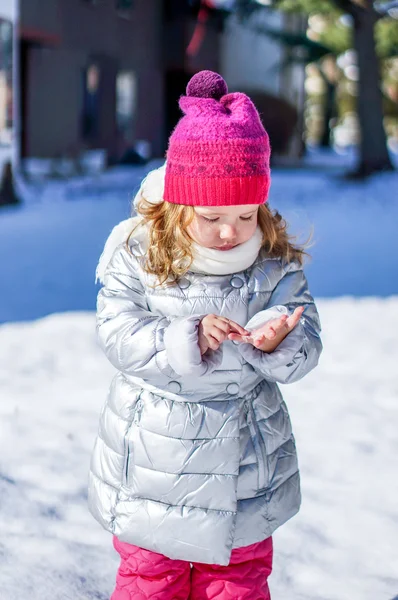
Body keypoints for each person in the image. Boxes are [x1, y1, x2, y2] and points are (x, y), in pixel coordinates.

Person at [89, 70, 322, 600]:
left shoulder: (273, 264)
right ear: (178, 204)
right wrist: (184, 336)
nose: (230, 231)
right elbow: (117, 330)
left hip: (246, 466)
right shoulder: (140, 255)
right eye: (213, 214)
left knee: (236, 582)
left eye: (246, 213)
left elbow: (304, 333)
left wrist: (277, 340)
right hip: (156, 462)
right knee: (153, 580)